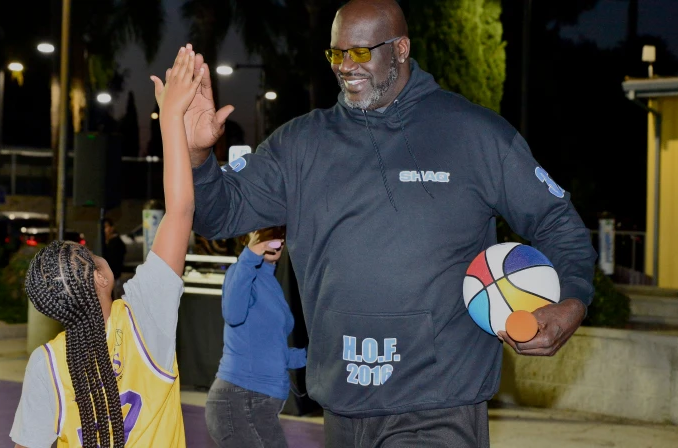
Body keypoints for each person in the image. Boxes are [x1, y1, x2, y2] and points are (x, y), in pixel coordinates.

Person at [179, 0, 597, 446]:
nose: (344, 66)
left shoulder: (473, 134)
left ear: (400, 49)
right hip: (341, 407)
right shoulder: (300, 144)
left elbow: (558, 222)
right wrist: (198, 156)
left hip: (437, 407)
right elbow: (218, 213)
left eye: (360, 52)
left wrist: (572, 300)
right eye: (336, 53)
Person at [9, 46, 203, 447]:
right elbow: (180, 211)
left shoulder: (46, 363)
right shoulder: (143, 318)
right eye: (90, 253)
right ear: (100, 275)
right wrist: (170, 118)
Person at [205, 226, 306, 448]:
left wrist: (312, 355)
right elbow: (233, 313)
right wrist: (250, 255)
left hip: (260, 406)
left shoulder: (268, 281)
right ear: (245, 239)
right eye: (262, 232)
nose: (271, 238)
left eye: (277, 234)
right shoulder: (240, 271)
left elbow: (270, 348)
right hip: (238, 400)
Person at [102, 218, 127, 297]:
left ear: (112, 228)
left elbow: (114, 259)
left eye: (106, 227)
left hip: (114, 274)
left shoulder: (115, 242)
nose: (105, 230)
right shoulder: (107, 241)